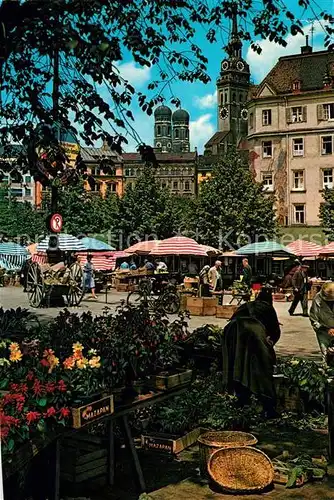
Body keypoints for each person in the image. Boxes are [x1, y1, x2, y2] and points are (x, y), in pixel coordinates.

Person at [222, 287, 281, 417]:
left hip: (232, 332)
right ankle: (268, 407)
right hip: (248, 331)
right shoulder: (268, 308)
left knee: (237, 362)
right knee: (263, 367)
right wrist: (269, 349)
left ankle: (241, 399)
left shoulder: (247, 305)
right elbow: (276, 332)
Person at [310, 282, 334, 363]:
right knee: (326, 355)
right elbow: (313, 319)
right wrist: (326, 329)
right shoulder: (317, 299)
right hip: (323, 331)